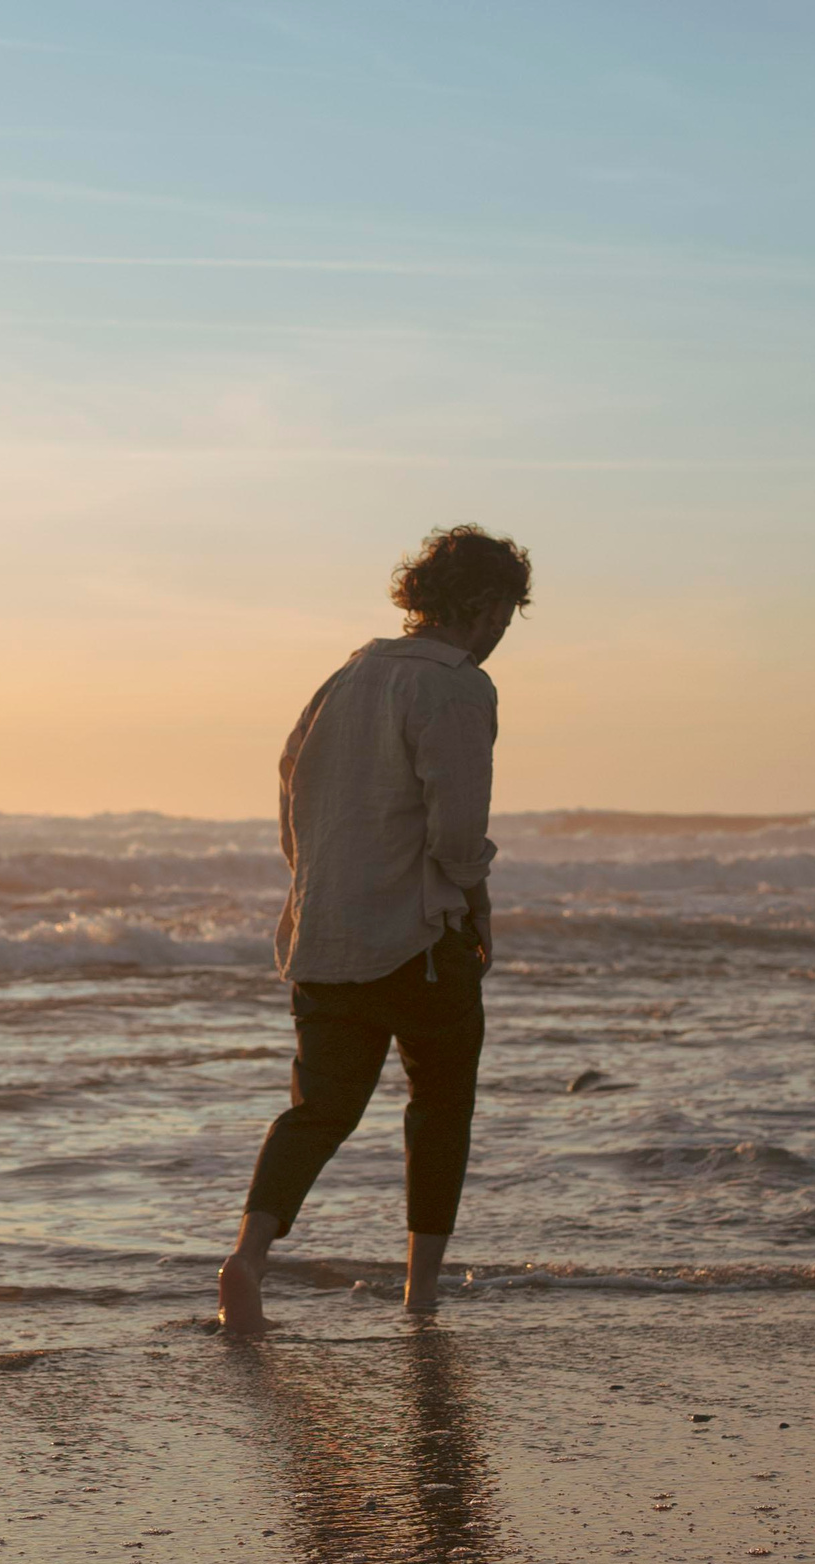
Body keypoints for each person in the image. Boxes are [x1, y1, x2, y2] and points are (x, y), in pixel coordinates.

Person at [218, 524, 532, 1335]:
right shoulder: (458, 687)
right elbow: (457, 828)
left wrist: (316, 892)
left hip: (326, 936)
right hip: (422, 941)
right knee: (439, 1104)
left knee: (318, 1110)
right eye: (506, 613)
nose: (503, 631)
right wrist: (480, 904)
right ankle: (420, 1293)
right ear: (485, 606)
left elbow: (293, 802)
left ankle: (248, 1257)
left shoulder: (344, 678)